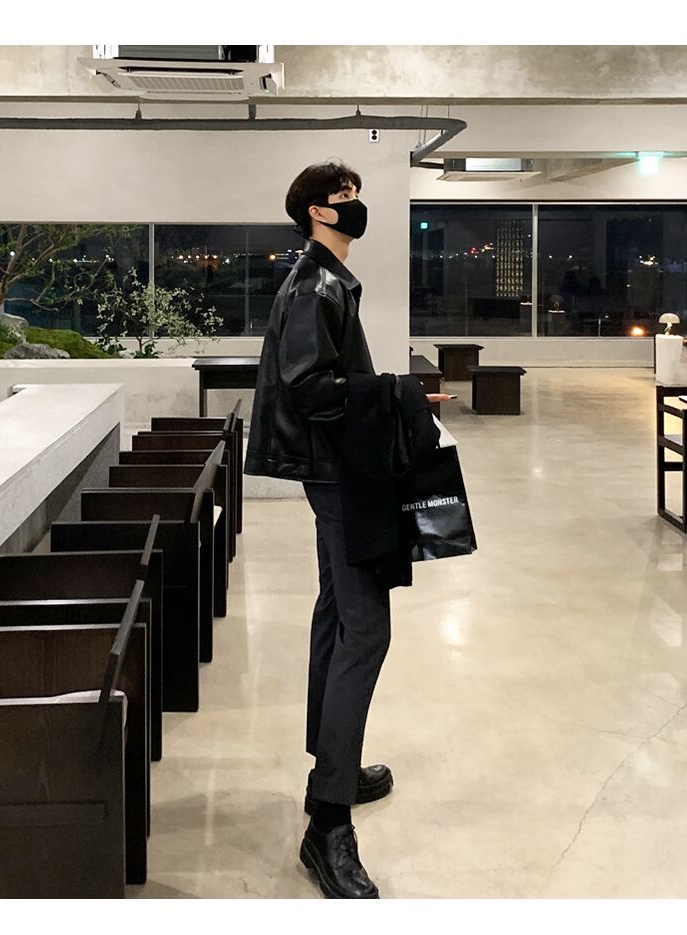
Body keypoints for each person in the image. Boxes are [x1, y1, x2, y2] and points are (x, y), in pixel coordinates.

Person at [245, 160, 449, 898]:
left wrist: (390, 396)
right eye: (343, 197)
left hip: (335, 470)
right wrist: (399, 396)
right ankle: (327, 823)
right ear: (315, 212)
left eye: (357, 194)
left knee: (337, 615)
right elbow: (309, 388)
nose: (355, 205)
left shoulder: (328, 279)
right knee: (366, 631)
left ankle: (332, 767)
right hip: (338, 477)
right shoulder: (315, 285)